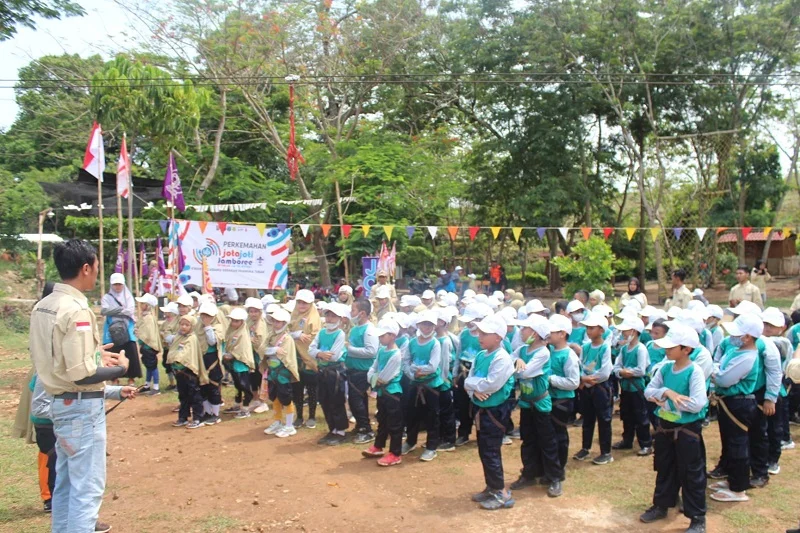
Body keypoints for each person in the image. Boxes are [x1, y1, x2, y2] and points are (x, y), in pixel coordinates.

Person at [29, 239, 135, 533]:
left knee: (65, 483)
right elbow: (81, 374)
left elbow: (54, 356)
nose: (97, 274)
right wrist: (119, 368)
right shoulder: (75, 308)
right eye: (97, 267)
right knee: (86, 489)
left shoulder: (44, 306)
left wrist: (94, 354)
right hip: (79, 406)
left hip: (58, 402)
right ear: (86, 268)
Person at [640, 323, 708, 533]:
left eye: (671, 347)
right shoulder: (666, 368)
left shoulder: (694, 372)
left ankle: (697, 516)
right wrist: (667, 393)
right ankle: (661, 504)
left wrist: (665, 398)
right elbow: (648, 391)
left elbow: (697, 403)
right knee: (664, 467)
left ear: (686, 349)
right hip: (665, 427)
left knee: (690, 472)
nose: (666, 350)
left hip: (687, 430)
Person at [708, 314, 763, 503]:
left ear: (747, 337)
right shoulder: (736, 350)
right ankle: (733, 479)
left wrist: (715, 373)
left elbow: (723, 378)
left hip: (739, 403)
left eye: (737, 334)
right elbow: (720, 368)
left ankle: (739, 488)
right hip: (729, 401)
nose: (732, 337)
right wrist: (717, 372)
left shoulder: (747, 357)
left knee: (738, 444)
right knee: (729, 442)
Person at [465, 315, 516, 510]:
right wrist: (475, 388)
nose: (480, 336)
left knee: (491, 450)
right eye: (480, 332)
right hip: (481, 408)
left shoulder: (502, 358)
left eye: (485, 333)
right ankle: (492, 486)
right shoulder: (480, 355)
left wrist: (474, 386)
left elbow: (491, 384)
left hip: (495, 411)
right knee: (484, 449)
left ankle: (501, 492)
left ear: (498, 337)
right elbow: (469, 381)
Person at [509, 315, 564, 497]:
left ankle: (555, 477)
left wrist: (517, 366)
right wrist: (517, 364)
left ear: (535, 333)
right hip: (526, 402)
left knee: (547, 441)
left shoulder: (543, 352)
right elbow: (509, 363)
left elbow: (525, 373)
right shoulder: (522, 349)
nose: (521, 332)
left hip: (540, 403)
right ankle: (529, 473)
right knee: (528, 439)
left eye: (525, 329)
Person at [401, 310, 444, 461]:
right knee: (412, 414)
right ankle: (410, 441)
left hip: (431, 385)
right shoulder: (412, 342)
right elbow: (405, 361)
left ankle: (432, 446)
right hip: (414, 383)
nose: (426, 327)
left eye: (430, 325)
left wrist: (419, 370)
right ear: (418, 325)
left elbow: (433, 366)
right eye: (424, 324)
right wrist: (413, 374)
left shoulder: (435, 343)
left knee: (432, 416)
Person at [362, 318, 405, 466]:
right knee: (382, 419)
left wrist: (374, 378)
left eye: (383, 335)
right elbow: (373, 369)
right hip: (382, 393)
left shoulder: (396, 354)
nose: (380, 338)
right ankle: (378, 445)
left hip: (392, 393)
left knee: (394, 423)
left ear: (392, 335)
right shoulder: (381, 351)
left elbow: (384, 377)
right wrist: (373, 377)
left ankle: (395, 453)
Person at [573, 312, 614, 465]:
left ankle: (606, 452)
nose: (588, 331)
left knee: (604, 419)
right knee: (587, 417)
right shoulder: (585, 347)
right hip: (586, 386)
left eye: (592, 328)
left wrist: (588, 380)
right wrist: (583, 378)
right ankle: (585, 447)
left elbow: (605, 372)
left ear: (601, 330)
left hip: (600, 388)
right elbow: (581, 365)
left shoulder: (605, 348)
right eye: (587, 328)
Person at [309, 303, 349, 444]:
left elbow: (334, 356)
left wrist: (318, 354)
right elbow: (311, 350)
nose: (330, 319)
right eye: (328, 315)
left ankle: (341, 430)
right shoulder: (321, 333)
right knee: (325, 400)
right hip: (322, 371)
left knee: (336, 400)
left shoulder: (340, 334)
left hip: (335, 372)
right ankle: (332, 429)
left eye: (333, 316)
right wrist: (320, 353)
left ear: (340, 318)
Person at [612, 317, 653, 456]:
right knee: (627, 414)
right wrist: (621, 372)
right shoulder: (624, 349)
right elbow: (616, 366)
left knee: (641, 415)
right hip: (626, 386)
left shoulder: (641, 349)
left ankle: (646, 443)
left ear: (634, 332)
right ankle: (627, 440)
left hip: (637, 387)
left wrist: (625, 372)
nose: (623, 333)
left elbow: (641, 369)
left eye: (626, 330)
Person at [261, 308, 301, 438]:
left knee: (286, 397)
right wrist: (273, 349)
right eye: (274, 321)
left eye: (278, 322)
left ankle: (289, 425)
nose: (275, 324)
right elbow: (263, 349)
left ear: (284, 323)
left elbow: (283, 353)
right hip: (273, 371)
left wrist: (271, 350)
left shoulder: (287, 338)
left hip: (283, 372)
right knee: (275, 397)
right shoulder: (270, 335)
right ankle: (278, 421)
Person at [454, 304, 489, 446]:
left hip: (478, 374)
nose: (468, 323)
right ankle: (464, 433)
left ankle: (482, 434)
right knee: (462, 404)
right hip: (463, 371)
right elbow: (458, 353)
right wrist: (454, 373)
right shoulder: (463, 333)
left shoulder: (485, 335)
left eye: (471, 320)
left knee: (479, 404)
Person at [346, 298, 380, 443]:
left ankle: (366, 430)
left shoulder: (369, 330)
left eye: (353, 310)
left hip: (363, 371)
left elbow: (371, 351)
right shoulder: (355, 329)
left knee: (356, 399)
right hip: (352, 369)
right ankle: (360, 425)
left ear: (362, 313)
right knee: (357, 400)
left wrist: (349, 349)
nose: (350, 313)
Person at [101, 272, 142, 386]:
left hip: (127, 328)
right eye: (115, 284)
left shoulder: (128, 296)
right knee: (113, 352)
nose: (117, 287)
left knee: (131, 352)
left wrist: (114, 310)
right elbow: (104, 311)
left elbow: (130, 310)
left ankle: (131, 378)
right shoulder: (107, 297)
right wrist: (120, 309)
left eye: (120, 284)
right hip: (112, 328)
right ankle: (114, 379)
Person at [289, 289, 322, 427]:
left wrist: (299, 336)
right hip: (295, 357)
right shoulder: (294, 315)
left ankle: (312, 416)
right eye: (300, 302)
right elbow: (286, 332)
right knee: (297, 388)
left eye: (305, 303)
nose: (302, 306)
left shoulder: (314, 318)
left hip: (309, 359)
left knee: (312, 390)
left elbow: (314, 338)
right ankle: (299, 416)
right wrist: (297, 334)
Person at [222, 308, 256, 418]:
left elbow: (242, 349)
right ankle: (237, 404)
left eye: (236, 321)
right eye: (232, 320)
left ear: (242, 322)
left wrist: (232, 355)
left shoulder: (242, 334)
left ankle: (245, 408)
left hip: (241, 365)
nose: (233, 323)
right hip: (233, 364)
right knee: (237, 385)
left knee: (244, 386)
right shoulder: (231, 331)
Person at [197, 302, 225, 425]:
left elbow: (212, 341)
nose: (205, 318)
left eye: (208, 315)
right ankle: (207, 412)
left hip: (212, 359)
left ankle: (216, 414)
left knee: (213, 386)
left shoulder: (218, 327)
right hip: (200, 358)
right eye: (203, 315)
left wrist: (208, 327)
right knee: (202, 386)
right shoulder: (197, 327)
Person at [435, 308, 458, 452]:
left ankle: (449, 440)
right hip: (438, 382)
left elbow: (444, 365)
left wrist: (442, 381)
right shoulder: (438, 339)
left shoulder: (444, 342)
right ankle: (440, 437)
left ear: (442, 322)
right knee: (439, 411)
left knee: (445, 411)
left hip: (442, 382)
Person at [245, 298, 270, 415]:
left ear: (260, 312)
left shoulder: (262, 324)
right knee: (252, 377)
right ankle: (255, 399)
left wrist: (250, 340)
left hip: (260, 355)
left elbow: (260, 342)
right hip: (251, 354)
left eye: (255, 311)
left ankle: (263, 401)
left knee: (262, 378)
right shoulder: (248, 322)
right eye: (251, 311)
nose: (253, 314)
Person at [135, 294, 162, 396]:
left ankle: (156, 387)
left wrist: (139, 333)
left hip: (149, 346)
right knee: (148, 366)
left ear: (148, 305)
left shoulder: (149, 318)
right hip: (145, 346)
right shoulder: (145, 316)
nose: (141, 305)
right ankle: (147, 385)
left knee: (152, 366)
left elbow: (148, 334)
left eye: (143, 303)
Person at [159, 302, 180, 391]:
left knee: (176, 366)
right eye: (166, 314)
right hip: (167, 348)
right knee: (167, 365)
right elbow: (160, 332)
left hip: (175, 349)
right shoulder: (164, 323)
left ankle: (179, 384)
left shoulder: (178, 323)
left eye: (169, 314)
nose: (166, 315)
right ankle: (172, 383)